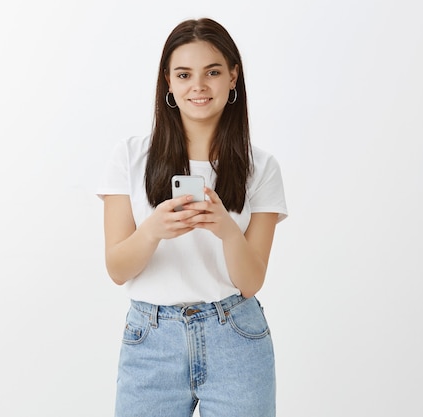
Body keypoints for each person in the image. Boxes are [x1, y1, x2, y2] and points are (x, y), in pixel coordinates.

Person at [97, 17, 287, 417]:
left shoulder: (261, 167)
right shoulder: (130, 157)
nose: (198, 87)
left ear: (233, 77)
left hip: (235, 335)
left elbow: (251, 281)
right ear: (168, 81)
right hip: (151, 340)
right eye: (184, 74)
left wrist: (227, 231)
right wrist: (153, 231)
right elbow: (117, 269)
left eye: (213, 72)